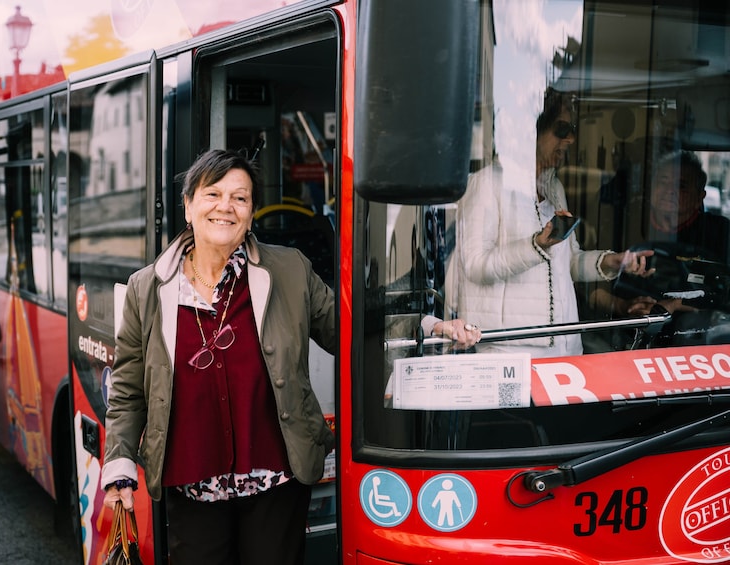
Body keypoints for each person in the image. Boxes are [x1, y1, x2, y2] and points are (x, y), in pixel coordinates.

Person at [99, 149, 481, 565]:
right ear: (189, 205)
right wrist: (118, 461)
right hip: (192, 487)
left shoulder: (288, 270)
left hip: (276, 482)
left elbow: (347, 330)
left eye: (240, 198)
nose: (225, 206)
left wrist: (426, 326)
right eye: (212, 194)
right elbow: (128, 388)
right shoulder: (148, 288)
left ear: (251, 213)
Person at [451, 87, 652, 357]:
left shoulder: (553, 188)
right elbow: (474, 265)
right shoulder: (487, 183)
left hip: (565, 348)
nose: (570, 138)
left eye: (572, 129)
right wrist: (534, 245)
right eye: (561, 129)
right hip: (510, 352)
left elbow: (567, 262)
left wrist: (611, 261)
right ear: (530, 130)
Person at [600, 150, 730, 317]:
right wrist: (622, 306)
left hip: (697, 334)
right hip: (626, 330)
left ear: (699, 198)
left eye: (681, 185)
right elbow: (592, 288)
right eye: (663, 182)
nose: (670, 190)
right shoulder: (622, 223)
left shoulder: (721, 232)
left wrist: (674, 304)